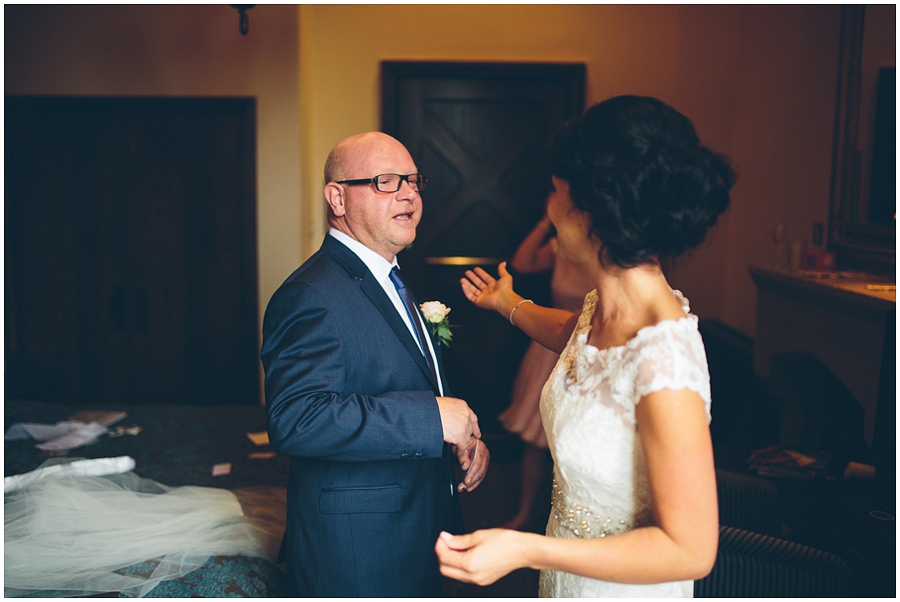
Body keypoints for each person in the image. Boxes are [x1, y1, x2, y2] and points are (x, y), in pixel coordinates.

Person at [435, 95, 735, 597]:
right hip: (568, 578)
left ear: (593, 210)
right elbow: (571, 336)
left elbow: (692, 549)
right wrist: (507, 302)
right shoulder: (604, 309)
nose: (549, 206)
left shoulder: (664, 359)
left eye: (555, 191)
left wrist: (527, 548)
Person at [261, 131, 491, 597]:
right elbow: (295, 419)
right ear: (337, 198)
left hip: (421, 530)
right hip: (359, 556)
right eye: (386, 181)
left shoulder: (392, 278)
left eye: (412, 180)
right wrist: (431, 418)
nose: (408, 192)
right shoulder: (310, 294)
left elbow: (403, 382)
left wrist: (459, 439)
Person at [499, 211, 593, 531]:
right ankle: (526, 512)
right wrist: (544, 222)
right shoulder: (561, 247)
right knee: (536, 436)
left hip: (590, 347)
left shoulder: (604, 255)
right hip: (551, 342)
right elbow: (522, 263)